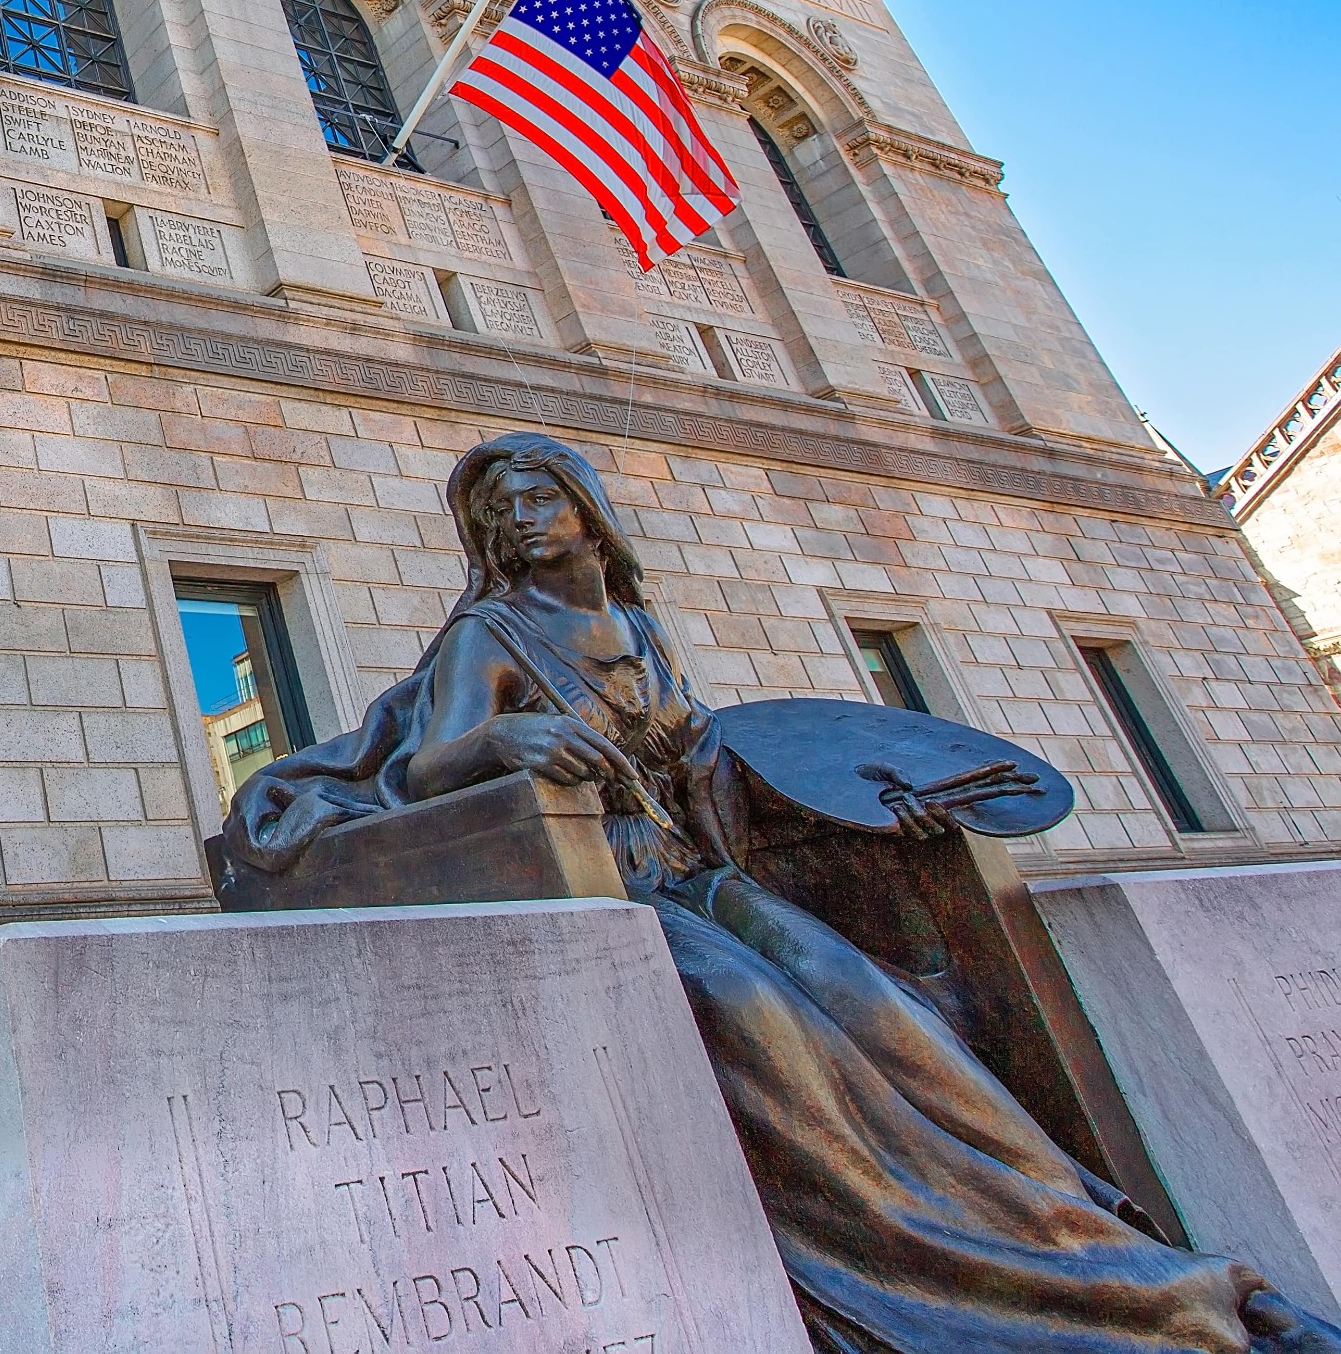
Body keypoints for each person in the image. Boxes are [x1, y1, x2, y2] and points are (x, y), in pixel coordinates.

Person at [224, 432, 1339, 1354]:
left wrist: (859, 804)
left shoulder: (640, 630)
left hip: (689, 870)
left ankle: (1111, 1248)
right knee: (762, 1017)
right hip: (606, 889)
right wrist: (507, 735)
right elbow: (428, 766)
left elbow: (721, 770)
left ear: (585, 507)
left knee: (879, 1006)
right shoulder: (489, 629)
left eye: (531, 498)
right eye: (495, 514)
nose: (512, 521)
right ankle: (989, 1276)